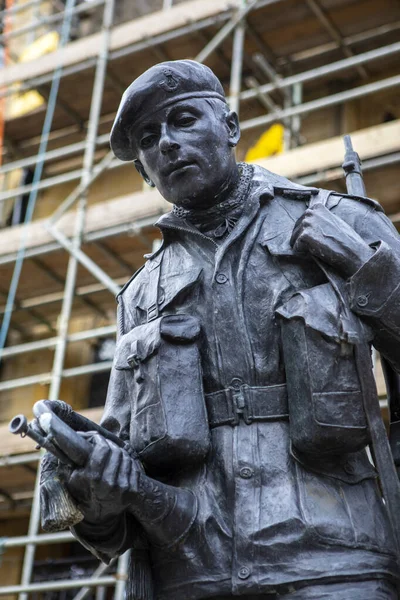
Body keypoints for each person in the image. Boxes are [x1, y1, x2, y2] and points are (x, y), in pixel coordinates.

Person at [62, 60, 400, 599]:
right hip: (191, 571)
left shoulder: (342, 223)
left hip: (336, 561)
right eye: (149, 139)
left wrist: (367, 270)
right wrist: (91, 483)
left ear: (233, 128)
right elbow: (122, 482)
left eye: (185, 120)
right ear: (145, 172)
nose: (167, 143)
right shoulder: (141, 293)